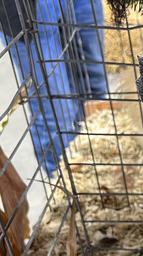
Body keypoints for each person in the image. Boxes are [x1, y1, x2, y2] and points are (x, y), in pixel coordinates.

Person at [0, 0, 108, 176]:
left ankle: (104, 169)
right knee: (57, 117)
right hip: (25, 10)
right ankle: (66, 189)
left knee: (95, 90)